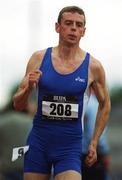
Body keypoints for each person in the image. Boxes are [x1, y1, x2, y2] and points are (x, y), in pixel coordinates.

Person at [13, 6, 111, 180]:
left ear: (83, 31)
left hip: (70, 146)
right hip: (39, 143)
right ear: (58, 27)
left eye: (78, 25)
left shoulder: (93, 67)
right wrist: (28, 88)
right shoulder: (39, 58)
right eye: (68, 23)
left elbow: (105, 104)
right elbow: (18, 104)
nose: (74, 28)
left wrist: (94, 142)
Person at [82, 93, 111, 180]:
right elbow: (95, 132)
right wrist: (104, 151)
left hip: (74, 153)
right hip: (91, 155)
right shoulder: (94, 103)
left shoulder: (80, 101)